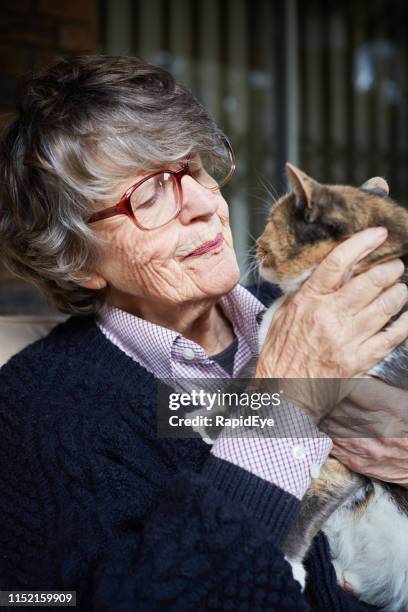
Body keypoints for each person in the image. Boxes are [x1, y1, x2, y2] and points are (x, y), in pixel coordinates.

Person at [0, 55, 407, 611]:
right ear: (76, 261)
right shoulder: (34, 410)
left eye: (192, 168)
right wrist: (287, 390)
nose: (202, 203)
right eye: (147, 197)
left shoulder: (328, 315)